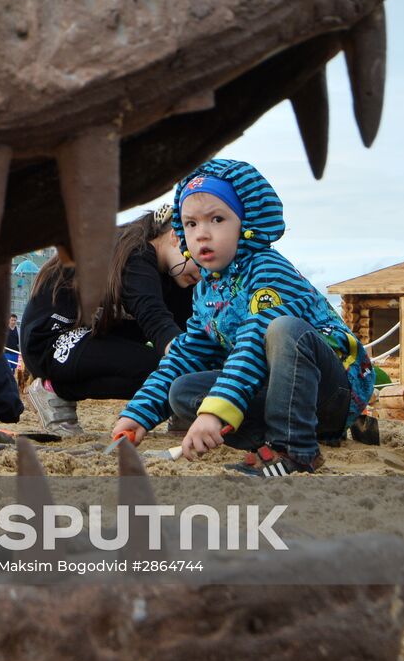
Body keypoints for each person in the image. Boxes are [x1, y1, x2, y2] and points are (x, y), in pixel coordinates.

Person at [112, 159, 374, 477]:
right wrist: (138, 414)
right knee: (181, 390)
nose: (202, 235)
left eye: (217, 219)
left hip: (331, 391)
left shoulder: (267, 270)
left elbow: (252, 344)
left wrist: (215, 413)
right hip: (277, 393)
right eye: (191, 224)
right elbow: (186, 354)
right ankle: (275, 440)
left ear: (245, 221)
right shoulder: (206, 288)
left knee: (283, 329)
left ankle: (295, 452)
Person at [21, 206, 200, 434]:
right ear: (175, 236)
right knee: (161, 368)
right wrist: (189, 374)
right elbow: (155, 319)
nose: (205, 272)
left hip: (94, 335)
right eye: (200, 257)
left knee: (172, 367)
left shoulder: (178, 277)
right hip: (51, 339)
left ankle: (180, 407)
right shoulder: (135, 252)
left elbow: (186, 331)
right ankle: (54, 390)